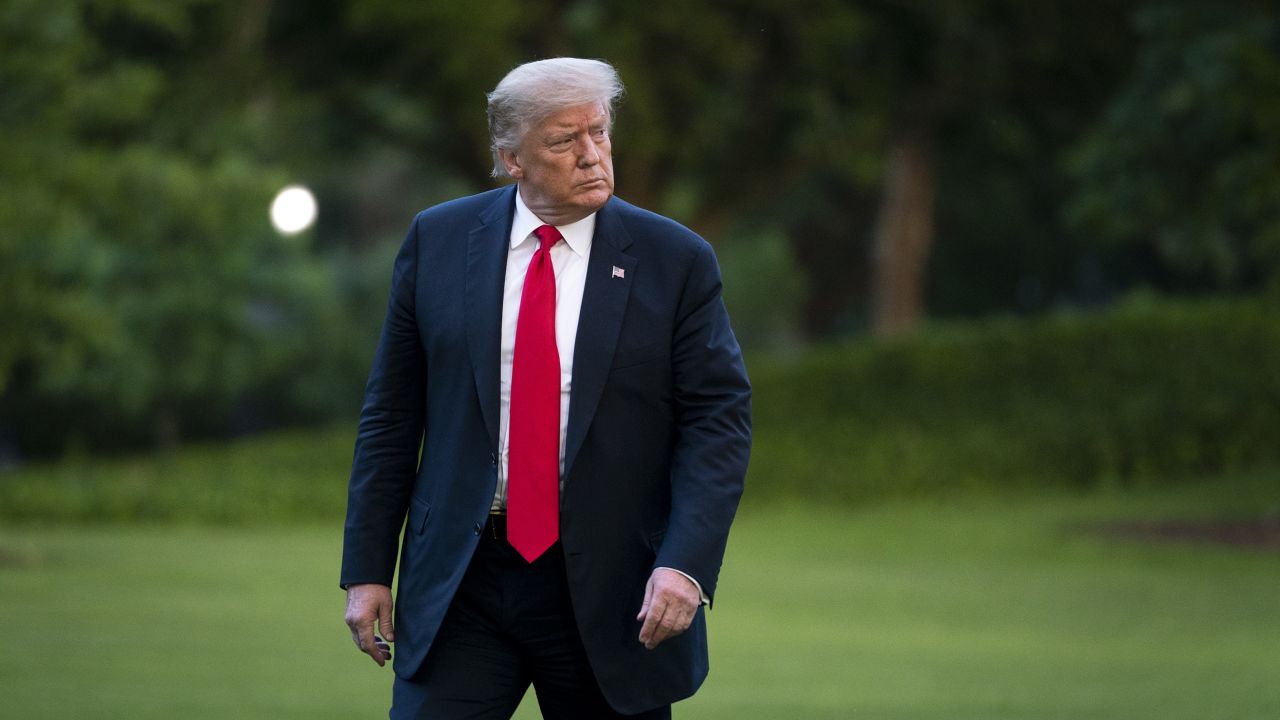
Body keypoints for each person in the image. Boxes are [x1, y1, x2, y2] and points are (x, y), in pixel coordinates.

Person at [341, 57, 752, 719]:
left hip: (615, 590)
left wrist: (686, 563)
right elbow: (391, 415)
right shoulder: (438, 241)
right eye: (565, 141)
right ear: (512, 159)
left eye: (600, 132)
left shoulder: (676, 261)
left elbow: (719, 422)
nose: (593, 156)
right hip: (461, 582)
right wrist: (366, 568)